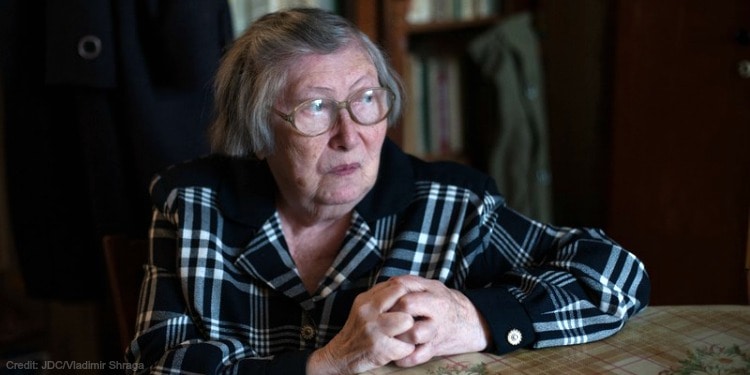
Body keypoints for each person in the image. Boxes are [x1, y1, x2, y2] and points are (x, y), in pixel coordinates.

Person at [125, 7, 650, 375]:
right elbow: (156, 363)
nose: (350, 135)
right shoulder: (193, 205)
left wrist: (478, 319)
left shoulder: (452, 205)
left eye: (366, 99)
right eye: (315, 108)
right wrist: (325, 365)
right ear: (259, 130)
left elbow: (617, 276)